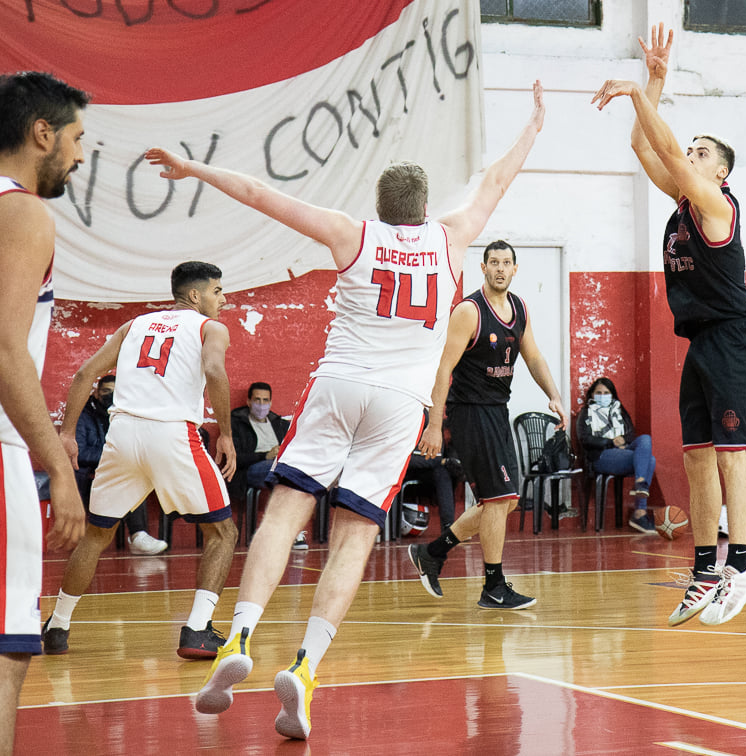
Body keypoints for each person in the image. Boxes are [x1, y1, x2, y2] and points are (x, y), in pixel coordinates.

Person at [146, 81, 546, 740]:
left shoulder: (351, 235)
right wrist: (531, 125)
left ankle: (238, 636)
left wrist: (192, 169)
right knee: (357, 531)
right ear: (423, 209)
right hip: (398, 404)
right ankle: (305, 667)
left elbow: (258, 194)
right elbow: (497, 181)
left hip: (338, 386)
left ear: (382, 209)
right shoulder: (451, 241)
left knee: (285, 511)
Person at [592, 24, 746, 627]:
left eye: (701, 152)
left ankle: (740, 567)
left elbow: (664, 151)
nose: (689, 154)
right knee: (696, 456)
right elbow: (646, 150)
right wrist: (656, 82)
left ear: (720, 173)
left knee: (731, 455)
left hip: (734, 339)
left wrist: (643, 94)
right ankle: (703, 573)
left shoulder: (718, 206)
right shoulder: (682, 206)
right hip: (699, 342)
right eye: (690, 148)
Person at [45, 262, 239, 661]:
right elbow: (216, 371)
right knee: (223, 534)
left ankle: (58, 626)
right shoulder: (210, 329)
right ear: (195, 295)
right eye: (217, 291)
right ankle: (198, 630)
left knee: (96, 536)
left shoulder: (134, 325)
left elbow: (84, 374)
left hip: (123, 435)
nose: (223, 299)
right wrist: (228, 435)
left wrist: (66, 434)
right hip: (172, 435)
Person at [0, 70, 88, 756]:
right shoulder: (24, 211)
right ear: (42, 134)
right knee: (7, 649)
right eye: (77, 138)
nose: (80, 155)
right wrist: (57, 466)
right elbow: (5, 350)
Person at [408, 239, 567, 611]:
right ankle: (493, 586)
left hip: (497, 410)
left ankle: (432, 552)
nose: (499, 268)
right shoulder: (469, 311)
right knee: (497, 499)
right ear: (483, 268)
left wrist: (555, 395)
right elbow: (443, 369)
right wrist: (434, 425)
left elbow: (534, 356)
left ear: (515, 269)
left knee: (506, 502)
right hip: (469, 411)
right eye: (493, 262)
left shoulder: (519, 308)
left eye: (506, 262)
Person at [74, 375, 168, 555]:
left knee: (132, 477)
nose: (110, 396)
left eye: (114, 392)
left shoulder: (125, 416)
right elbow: (80, 453)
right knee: (123, 476)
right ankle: (137, 535)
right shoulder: (83, 416)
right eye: (105, 392)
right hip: (89, 480)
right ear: (96, 393)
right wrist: (113, 456)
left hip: (117, 474)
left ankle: (139, 535)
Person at [575, 376, 657, 533]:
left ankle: (640, 483)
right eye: (598, 392)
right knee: (650, 461)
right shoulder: (585, 413)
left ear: (612, 395)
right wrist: (611, 442)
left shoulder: (619, 410)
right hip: (600, 455)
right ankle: (640, 513)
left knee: (645, 439)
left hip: (623, 452)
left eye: (606, 392)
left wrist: (622, 441)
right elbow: (585, 439)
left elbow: (630, 434)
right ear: (591, 394)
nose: (602, 395)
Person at [229, 382, 304, 549]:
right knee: (280, 472)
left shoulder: (279, 424)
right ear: (248, 402)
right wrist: (265, 455)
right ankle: (291, 530)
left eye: (265, 400)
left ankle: (286, 529)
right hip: (251, 469)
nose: (261, 405)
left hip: (279, 466)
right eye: (257, 400)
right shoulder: (237, 423)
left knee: (292, 473)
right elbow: (236, 458)